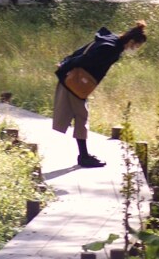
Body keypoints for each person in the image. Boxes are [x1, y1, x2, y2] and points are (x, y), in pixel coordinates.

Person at [52, 20, 147, 168]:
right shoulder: (111, 48)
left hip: (73, 80)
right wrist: (66, 64)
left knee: (80, 116)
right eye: (136, 46)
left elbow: (83, 51)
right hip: (74, 83)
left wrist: (66, 61)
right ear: (131, 41)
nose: (134, 49)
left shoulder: (111, 40)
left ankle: (83, 155)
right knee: (82, 116)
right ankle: (84, 157)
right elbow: (85, 58)